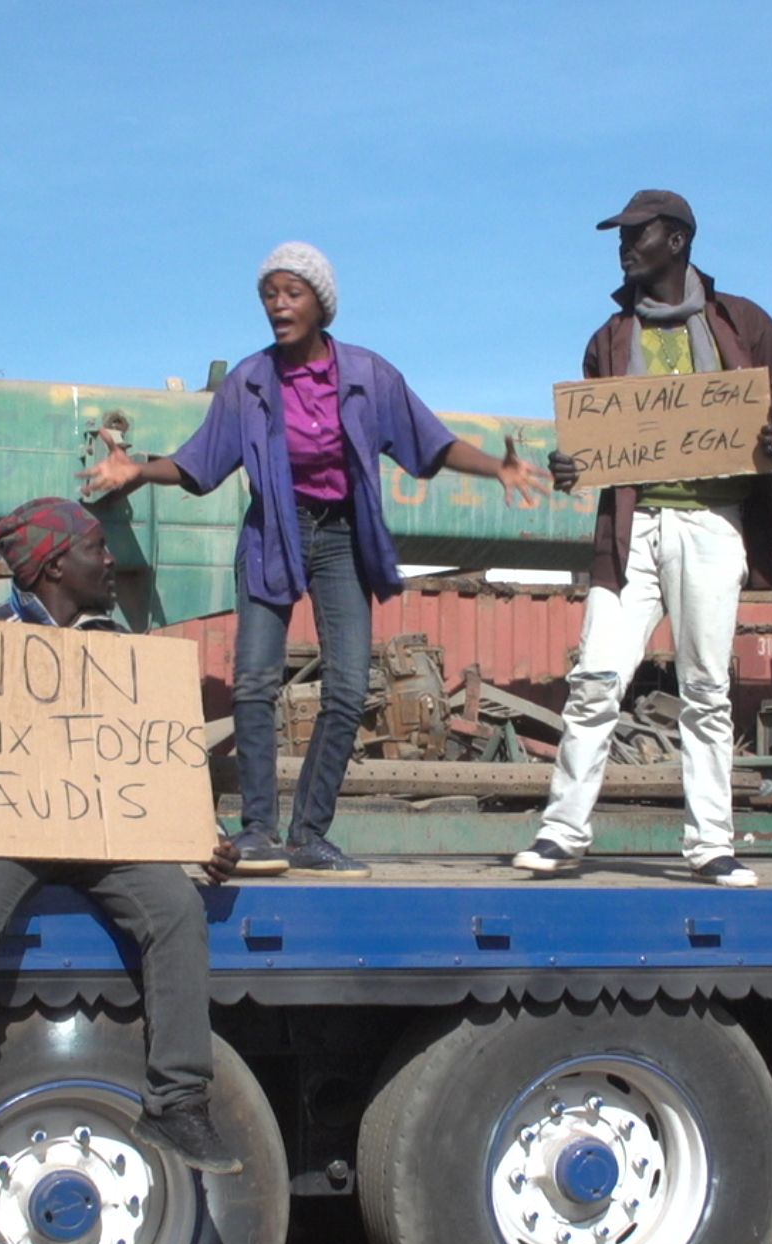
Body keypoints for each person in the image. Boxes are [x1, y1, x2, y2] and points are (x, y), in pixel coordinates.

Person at [82, 241, 547, 878]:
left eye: (291, 292)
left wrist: (497, 467)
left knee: (350, 688)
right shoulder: (250, 381)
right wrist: (138, 471)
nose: (278, 304)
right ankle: (256, 833)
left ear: (321, 303)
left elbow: (428, 444)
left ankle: (309, 834)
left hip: (342, 540)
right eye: (269, 294)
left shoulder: (368, 376)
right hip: (274, 531)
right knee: (254, 679)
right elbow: (200, 464)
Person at [0, 498, 246, 1195]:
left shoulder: (125, 654)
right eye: (96, 548)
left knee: (175, 907)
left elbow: (164, 766)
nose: (111, 560)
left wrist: (201, 834)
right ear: (57, 565)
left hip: (105, 838)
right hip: (4, 836)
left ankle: (178, 1102)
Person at [518, 190, 772, 888]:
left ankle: (711, 844)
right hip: (631, 529)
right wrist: (571, 464)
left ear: (679, 241)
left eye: (639, 234)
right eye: (622, 236)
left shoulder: (743, 321)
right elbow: (595, 438)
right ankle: (561, 832)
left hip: (713, 524)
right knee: (596, 678)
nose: (625, 247)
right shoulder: (609, 337)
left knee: (705, 689)